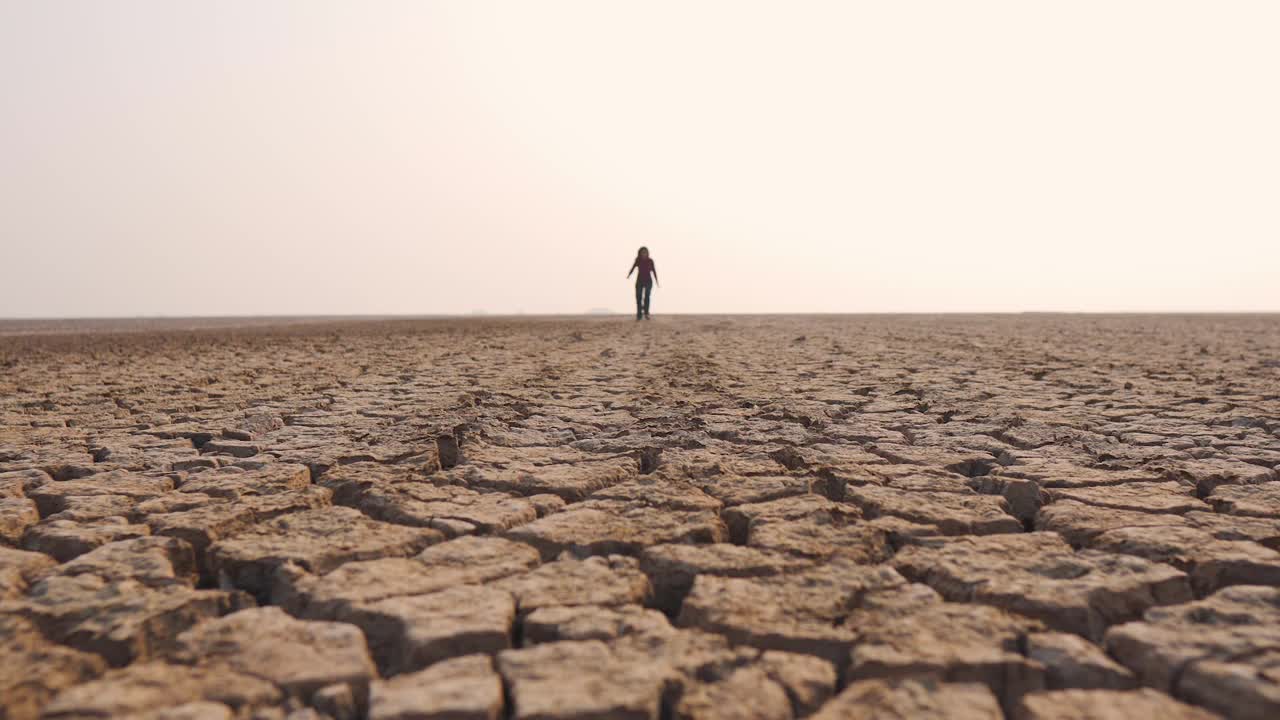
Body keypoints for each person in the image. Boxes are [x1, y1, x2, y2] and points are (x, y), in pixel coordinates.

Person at [626, 246, 658, 320]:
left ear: (647, 253)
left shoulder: (650, 261)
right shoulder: (638, 260)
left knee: (647, 296)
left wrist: (657, 281)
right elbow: (633, 267)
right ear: (640, 253)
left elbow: (654, 271)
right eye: (642, 252)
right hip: (639, 281)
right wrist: (629, 275)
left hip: (648, 281)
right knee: (638, 297)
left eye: (645, 252)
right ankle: (639, 314)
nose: (644, 254)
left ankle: (646, 313)